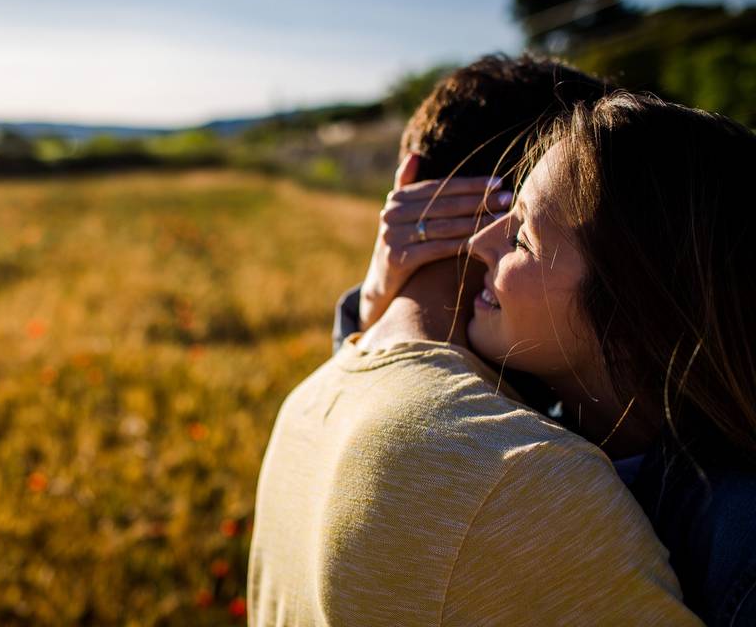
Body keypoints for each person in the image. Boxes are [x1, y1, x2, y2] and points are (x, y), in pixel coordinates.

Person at [247, 56, 703, 625]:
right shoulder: (522, 473)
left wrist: (370, 310)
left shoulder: (307, 403)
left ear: (407, 178)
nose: (497, 239)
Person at [336, 91, 756, 624]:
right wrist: (373, 302)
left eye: (521, 238)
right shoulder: (532, 424)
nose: (480, 242)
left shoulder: (739, 542)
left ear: (632, 318)